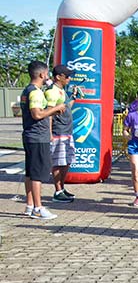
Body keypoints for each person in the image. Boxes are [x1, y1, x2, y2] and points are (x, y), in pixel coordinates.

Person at [20, 61, 65, 220]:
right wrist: (55, 108)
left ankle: (30, 205)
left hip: (31, 136)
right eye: (46, 74)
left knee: (31, 172)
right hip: (37, 137)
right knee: (38, 173)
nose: (48, 77)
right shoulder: (36, 92)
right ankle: (38, 208)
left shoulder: (27, 91)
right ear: (41, 75)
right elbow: (37, 114)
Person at [44, 65, 78, 204]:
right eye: (67, 76)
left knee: (66, 161)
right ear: (59, 77)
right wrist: (50, 133)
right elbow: (49, 113)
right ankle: (58, 192)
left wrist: (74, 97)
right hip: (58, 132)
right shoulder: (52, 92)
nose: (69, 78)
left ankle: (62, 189)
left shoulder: (61, 91)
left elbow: (66, 107)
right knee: (58, 162)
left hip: (67, 131)